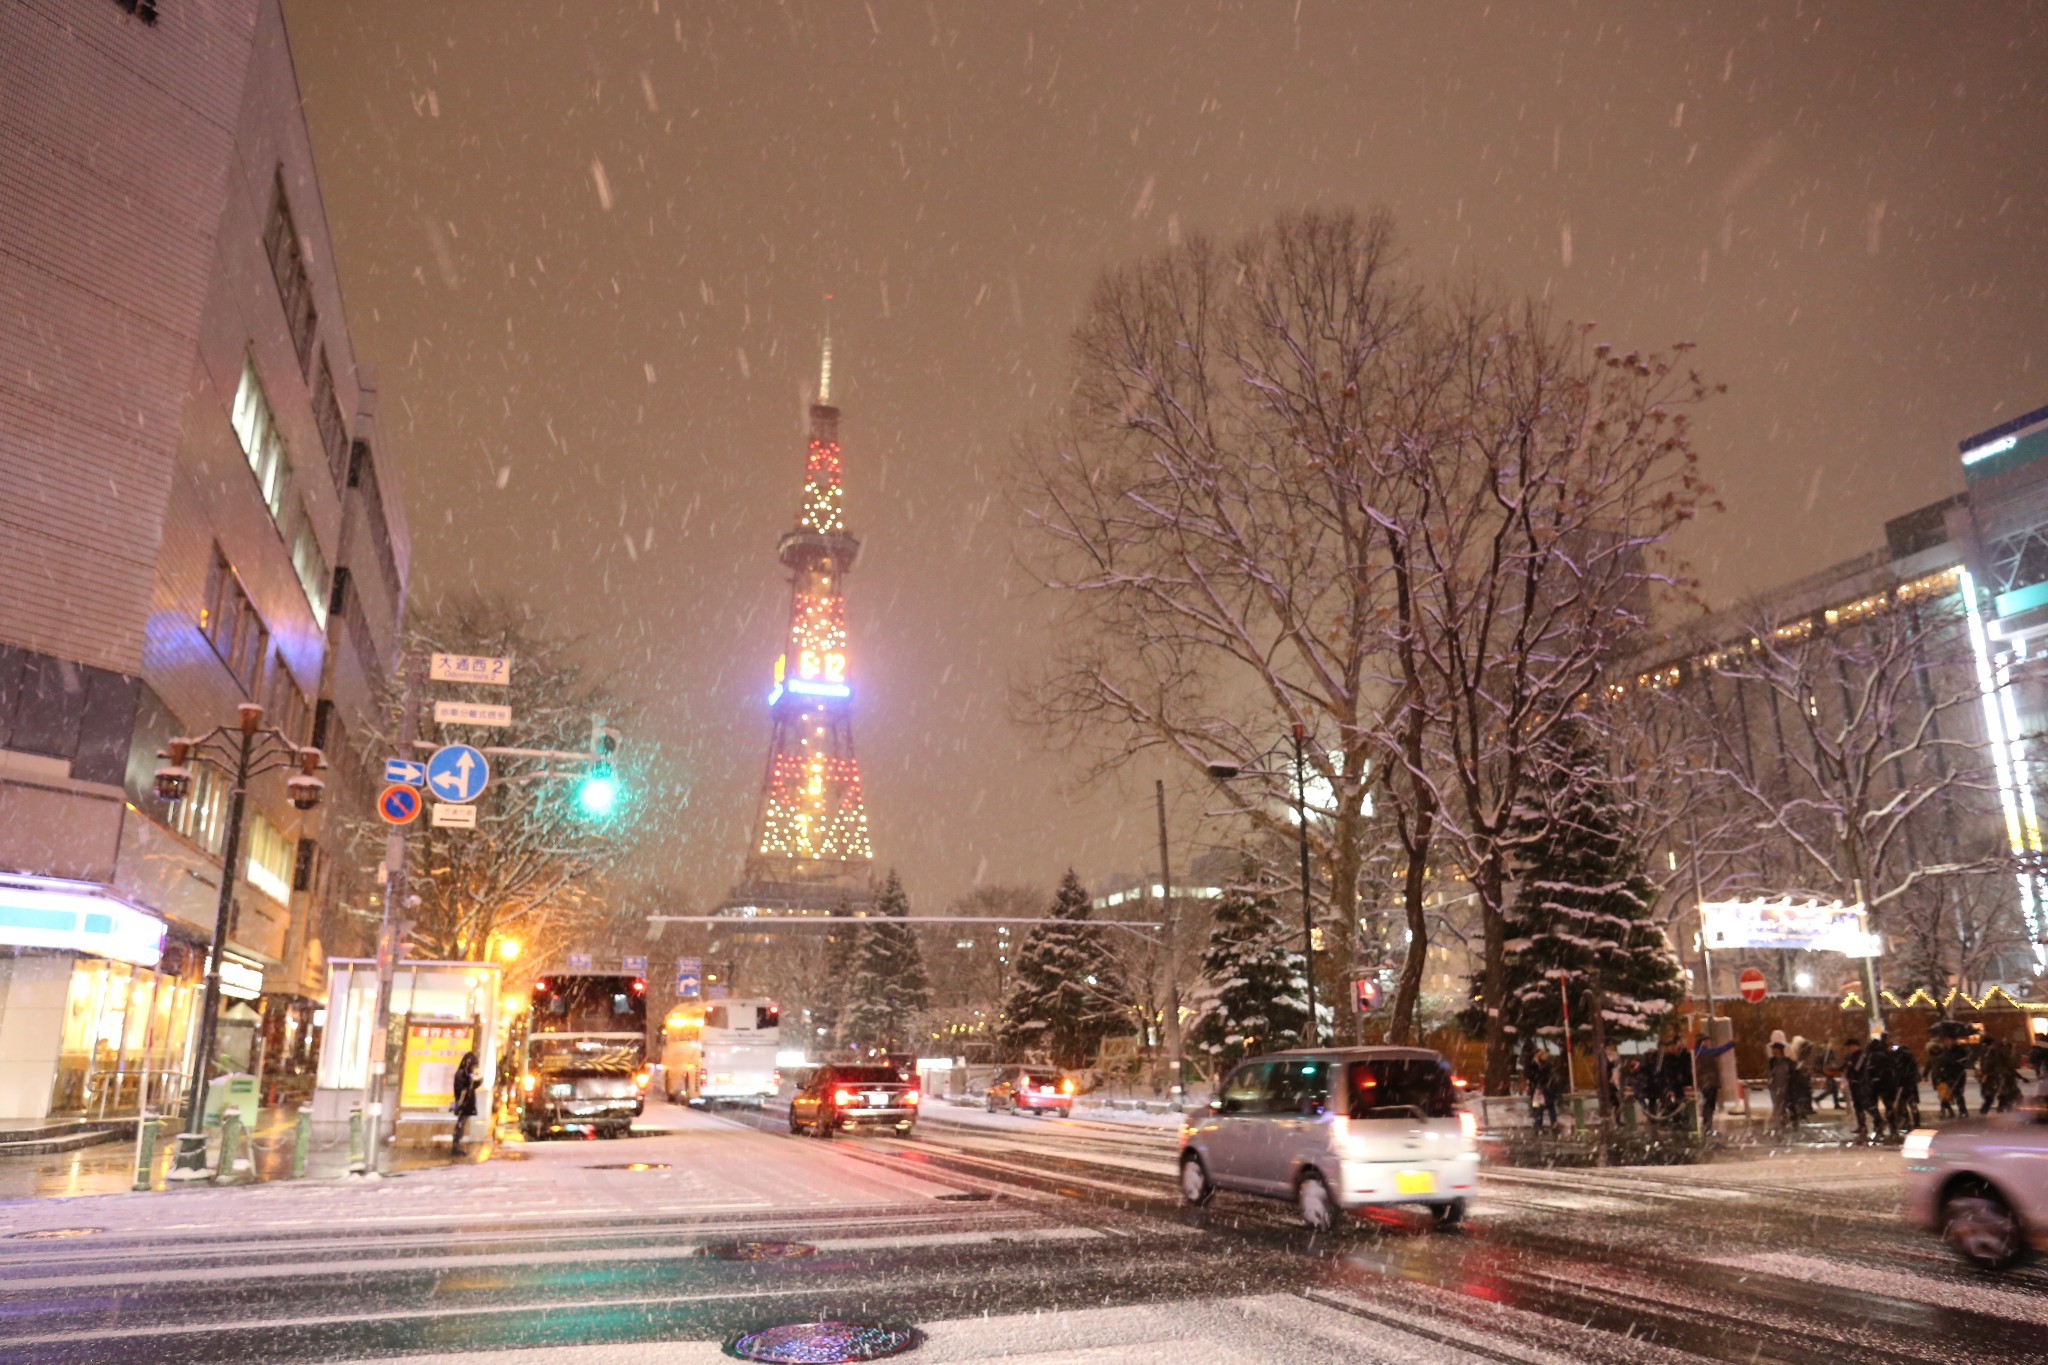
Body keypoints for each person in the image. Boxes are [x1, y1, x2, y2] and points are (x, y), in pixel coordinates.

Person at [1690, 1029, 1735, 1135]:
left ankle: (1707, 1125)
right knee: (1709, 1105)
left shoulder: (1696, 1052)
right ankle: (1707, 1126)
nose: (1707, 1043)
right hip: (1709, 1082)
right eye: (1706, 1041)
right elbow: (1718, 1051)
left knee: (1707, 1104)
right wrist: (1731, 1044)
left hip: (1705, 1082)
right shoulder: (1703, 1052)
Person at [1979, 1036, 2021, 1115]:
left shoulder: (1995, 1054)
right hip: (1993, 1078)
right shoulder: (1989, 1055)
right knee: (1992, 1096)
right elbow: (2007, 1065)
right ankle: (1992, 1109)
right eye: (1993, 1044)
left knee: (2000, 1095)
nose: (1995, 1045)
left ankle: (2000, 1109)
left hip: (1998, 1077)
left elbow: (2008, 1065)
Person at [450, 1049, 480, 1155]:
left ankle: (457, 1145)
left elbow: (470, 1087)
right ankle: (455, 1146)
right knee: (460, 1124)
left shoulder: (467, 1074)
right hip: (463, 1104)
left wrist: (476, 1082)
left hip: (466, 1104)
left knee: (462, 1124)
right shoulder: (462, 1074)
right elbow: (462, 1089)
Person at [1766, 1041, 1798, 1136]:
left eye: (1773, 1049)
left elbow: (1792, 1074)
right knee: (1778, 1106)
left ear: (1778, 1050)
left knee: (1788, 1105)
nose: (1772, 1050)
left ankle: (1791, 1122)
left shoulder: (1787, 1061)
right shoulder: (1772, 1061)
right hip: (1775, 1087)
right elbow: (1770, 1073)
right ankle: (1780, 1124)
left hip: (1786, 1086)